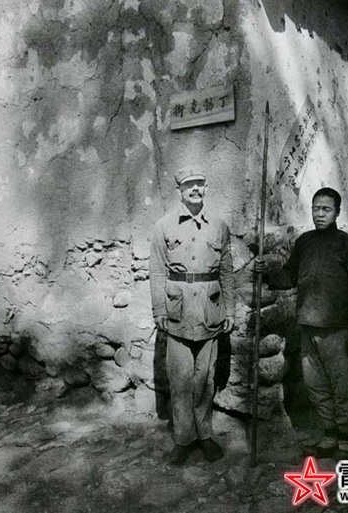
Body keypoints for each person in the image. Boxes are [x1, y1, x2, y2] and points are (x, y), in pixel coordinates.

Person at [256, 187, 348, 457]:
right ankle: (329, 434)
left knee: (344, 386)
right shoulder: (305, 242)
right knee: (316, 385)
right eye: (316, 208)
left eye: (326, 209)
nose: (319, 214)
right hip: (308, 326)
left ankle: (346, 436)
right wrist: (267, 272)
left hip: (338, 329)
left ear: (337, 212)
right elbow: (289, 276)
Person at [149, 166, 235, 465]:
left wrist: (230, 309)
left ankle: (205, 435)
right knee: (181, 379)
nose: (195, 189)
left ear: (206, 188)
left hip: (209, 312)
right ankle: (184, 439)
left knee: (206, 379)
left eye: (200, 184)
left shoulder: (219, 226)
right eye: (189, 185)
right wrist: (159, 309)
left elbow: (226, 271)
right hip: (178, 313)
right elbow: (157, 270)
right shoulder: (164, 226)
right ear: (180, 192)